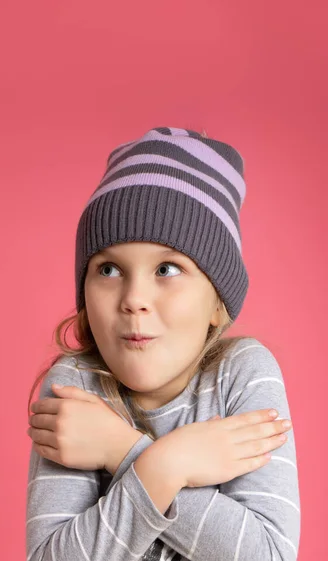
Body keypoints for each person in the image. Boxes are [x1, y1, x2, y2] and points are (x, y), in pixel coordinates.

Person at [25, 127, 300, 561]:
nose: (134, 299)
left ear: (217, 303)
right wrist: (164, 467)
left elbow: (270, 555)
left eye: (167, 269)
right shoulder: (75, 387)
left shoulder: (242, 375)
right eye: (110, 270)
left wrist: (125, 452)